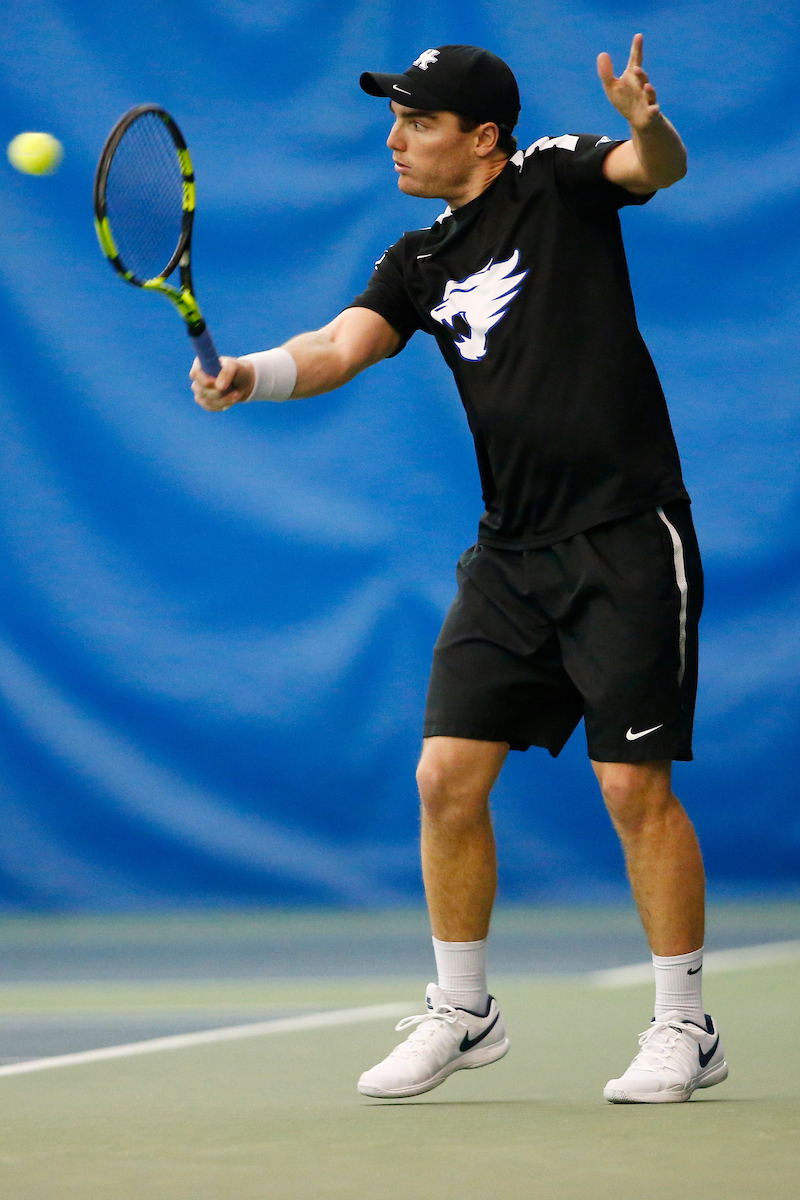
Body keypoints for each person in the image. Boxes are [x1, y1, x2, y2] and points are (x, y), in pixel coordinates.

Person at [191, 37, 728, 1105]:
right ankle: (464, 1010)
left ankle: (685, 1024)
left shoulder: (556, 178)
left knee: (632, 787)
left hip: (625, 535)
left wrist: (647, 123)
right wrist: (249, 373)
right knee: (444, 778)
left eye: (418, 122)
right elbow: (339, 346)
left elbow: (652, 169)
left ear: (483, 139)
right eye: (393, 120)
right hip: (509, 554)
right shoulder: (416, 259)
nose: (394, 140)